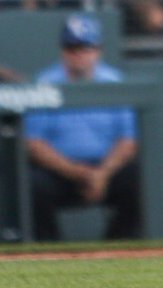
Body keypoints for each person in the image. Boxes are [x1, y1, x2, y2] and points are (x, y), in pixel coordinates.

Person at [25, 13, 142, 241]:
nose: (78, 55)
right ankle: (51, 254)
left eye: (85, 48)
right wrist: (76, 171)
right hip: (60, 171)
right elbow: (34, 143)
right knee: (34, 185)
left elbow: (128, 140)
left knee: (136, 179)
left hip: (107, 168)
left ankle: (118, 250)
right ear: (62, 50)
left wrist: (103, 173)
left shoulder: (114, 83)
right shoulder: (45, 82)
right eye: (72, 48)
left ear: (98, 50)